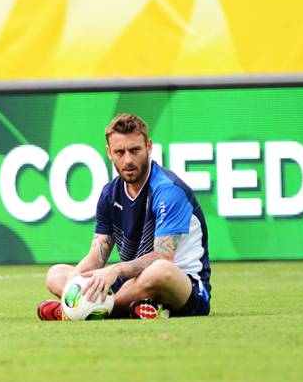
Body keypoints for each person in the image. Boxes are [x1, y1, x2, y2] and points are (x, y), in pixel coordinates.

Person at [38, 113, 212, 320]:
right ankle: (142, 308)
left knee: (159, 271)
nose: (128, 160)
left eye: (135, 150)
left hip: (184, 286)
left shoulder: (168, 190)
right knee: (56, 275)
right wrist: (73, 285)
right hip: (132, 282)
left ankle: (81, 312)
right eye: (120, 152)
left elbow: (163, 257)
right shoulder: (109, 194)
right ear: (109, 153)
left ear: (148, 147)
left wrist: (116, 270)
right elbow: (97, 255)